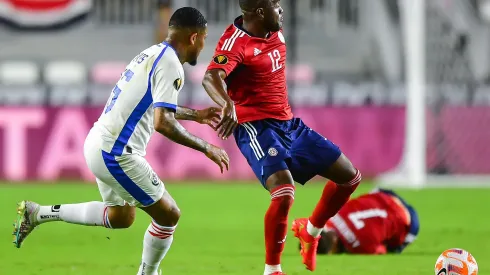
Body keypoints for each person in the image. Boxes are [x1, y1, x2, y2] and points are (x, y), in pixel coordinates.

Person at [13, 7, 229, 275]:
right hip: (116, 152)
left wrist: (195, 115)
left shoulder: (151, 54)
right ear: (194, 38)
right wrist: (206, 146)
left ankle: (37, 213)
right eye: (205, 39)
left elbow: (152, 107)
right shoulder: (171, 63)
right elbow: (162, 122)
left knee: (121, 217)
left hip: (98, 143)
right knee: (169, 215)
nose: (204, 46)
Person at [202, 0, 361, 274]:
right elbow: (211, 78)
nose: (282, 9)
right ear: (260, 12)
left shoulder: (273, 30)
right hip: (256, 127)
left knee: (350, 177)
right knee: (284, 191)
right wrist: (227, 104)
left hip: (289, 125)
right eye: (276, 5)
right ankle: (273, 269)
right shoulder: (235, 42)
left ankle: (311, 231)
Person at [295, 188, 420, 255]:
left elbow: (381, 251)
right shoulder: (330, 217)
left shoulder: (358, 247)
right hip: (386, 194)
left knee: (394, 250)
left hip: (409, 221)